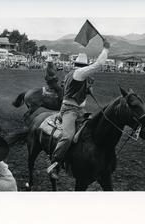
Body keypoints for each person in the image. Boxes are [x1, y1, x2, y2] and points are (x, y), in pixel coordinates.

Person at [47, 40, 110, 179]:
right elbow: (98, 65)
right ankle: (54, 164)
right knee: (68, 136)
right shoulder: (79, 73)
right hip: (70, 110)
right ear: (84, 66)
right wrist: (105, 49)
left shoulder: (79, 76)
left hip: (79, 111)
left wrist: (87, 90)